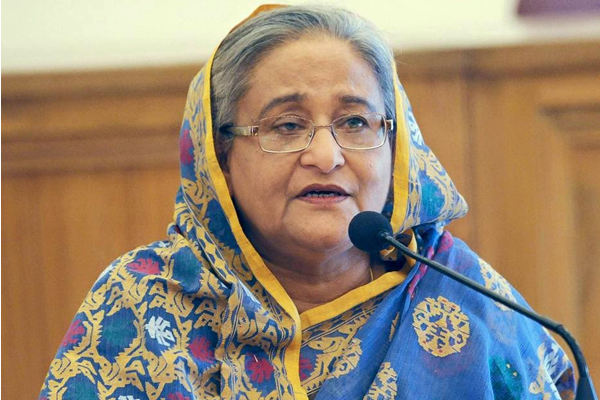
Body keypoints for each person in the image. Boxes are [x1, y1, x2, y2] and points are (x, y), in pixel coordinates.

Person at [40, 5, 575, 400]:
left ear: (397, 147)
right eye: (287, 125)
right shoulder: (143, 302)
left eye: (355, 122)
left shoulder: (469, 302)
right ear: (219, 157)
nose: (326, 155)